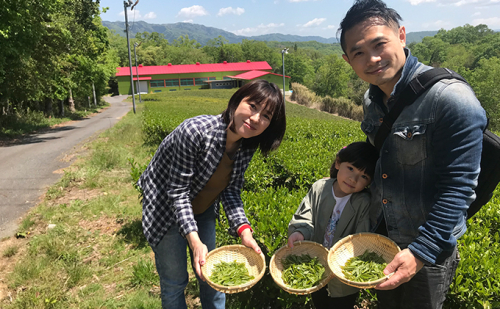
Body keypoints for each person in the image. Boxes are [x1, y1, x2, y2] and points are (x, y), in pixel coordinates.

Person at [338, 1, 487, 308]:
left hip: (428, 245)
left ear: (402, 35)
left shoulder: (451, 99)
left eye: (379, 44)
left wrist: (421, 251)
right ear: (347, 60)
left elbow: (458, 188)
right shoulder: (371, 99)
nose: (373, 59)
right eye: (359, 53)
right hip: (383, 234)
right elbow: (385, 156)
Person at [138, 79, 287, 309]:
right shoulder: (195, 132)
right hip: (165, 208)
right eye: (253, 106)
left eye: (266, 116)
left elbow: (231, 189)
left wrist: (244, 231)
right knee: (175, 282)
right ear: (237, 101)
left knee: (212, 277)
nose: (256, 118)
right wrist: (194, 240)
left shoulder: (247, 144)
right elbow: (178, 191)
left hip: (204, 207)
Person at [287, 142, 379, 309]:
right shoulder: (319, 188)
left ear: (369, 183)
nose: (353, 179)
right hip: (317, 264)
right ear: (338, 163)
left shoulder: (363, 202)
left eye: (363, 176)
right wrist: (300, 232)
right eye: (350, 168)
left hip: (343, 274)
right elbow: (304, 216)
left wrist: (350, 262)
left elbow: (362, 237)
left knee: (341, 303)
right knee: (319, 300)